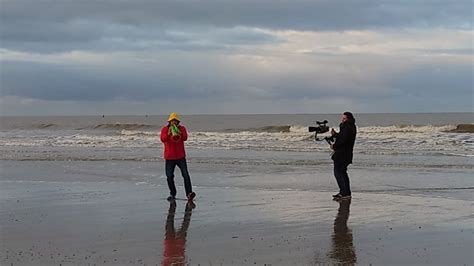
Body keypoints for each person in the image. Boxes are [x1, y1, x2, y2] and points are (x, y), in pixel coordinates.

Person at [160, 112, 196, 201]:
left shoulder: (182, 128)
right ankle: (172, 194)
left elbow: (185, 138)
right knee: (169, 176)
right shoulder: (165, 129)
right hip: (169, 157)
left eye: (175, 121)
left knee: (185, 175)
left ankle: (189, 193)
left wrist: (179, 132)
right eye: (172, 121)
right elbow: (162, 139)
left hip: (180, 156)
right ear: (169, 121)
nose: (174, 123)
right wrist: (169, 134)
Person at [330, 112, 357, 200]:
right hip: (346, 154)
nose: (342, 120)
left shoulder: (347, 127)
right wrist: (335, 135)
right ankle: (346, 192)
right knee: (343, 173)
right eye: (342, 118)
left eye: (344, 118)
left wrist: (334, 146)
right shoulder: (350, 127)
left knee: (338, 173)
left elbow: (343, 141)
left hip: (342, 155)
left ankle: (343, 192)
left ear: (348, 119)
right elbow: (342, 137)